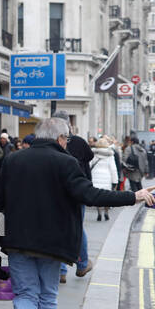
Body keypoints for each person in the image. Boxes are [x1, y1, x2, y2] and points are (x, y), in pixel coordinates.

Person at [0, 117, 155, 309]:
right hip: (53, 245)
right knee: (48, 296)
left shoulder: (13, 160)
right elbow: (91, 195)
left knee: (25, 294)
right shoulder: (67, 162)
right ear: (60, 139)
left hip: (17, 241)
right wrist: (132, 196)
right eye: (67, 139)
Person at [53, 111, 92, 282]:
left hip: (57, 190)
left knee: (59, 227)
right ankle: (82, 264)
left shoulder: (50, 142)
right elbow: (89, 158)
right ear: (69, 123)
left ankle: (61, 270)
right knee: (77, 227)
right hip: (78, 191)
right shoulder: (79, 142)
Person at [88, 137, 119, 221]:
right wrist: (115, 181)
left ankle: (99, 213)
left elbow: (89, 166)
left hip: (95, 177)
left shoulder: (93, 153)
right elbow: (113, 169)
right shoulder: (110, 154)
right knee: (107, 196)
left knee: (97, 195)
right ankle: (106, 212)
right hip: (106, 178)